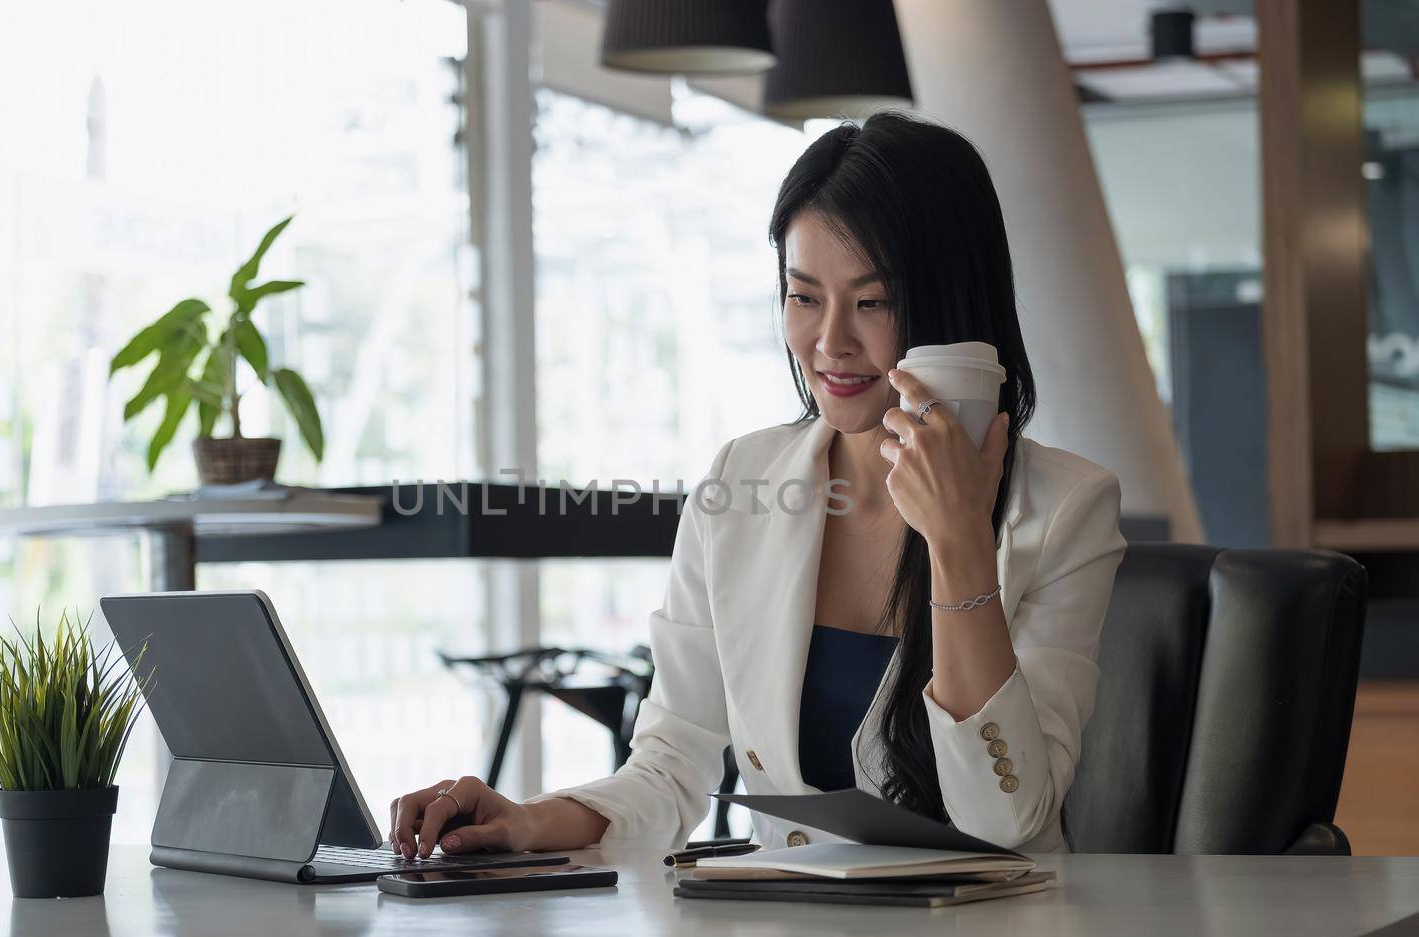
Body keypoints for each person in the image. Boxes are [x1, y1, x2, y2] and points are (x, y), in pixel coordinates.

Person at [391, 111, 1127, 858]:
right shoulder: (741, 482)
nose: (829, 341)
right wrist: (527, 820)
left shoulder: (1067, 509)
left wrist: (960, 539)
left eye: (872, 302)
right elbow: (672, 761)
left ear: (951, 305)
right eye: (804, 296)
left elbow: (1004, 821)